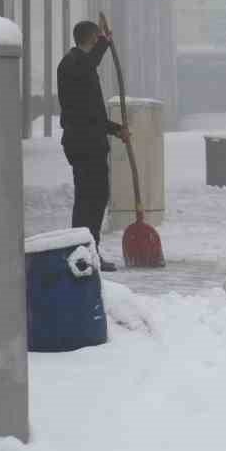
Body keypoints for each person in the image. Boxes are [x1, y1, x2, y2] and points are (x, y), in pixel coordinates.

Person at [57, 15, 129, 270]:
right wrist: (105, 44)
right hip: (83, 144)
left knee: (94, 197)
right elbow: (88, 66)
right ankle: (84, 254)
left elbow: (92, 112)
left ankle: (88, 252)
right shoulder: (73, 64)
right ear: (91, 39)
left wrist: (115, 129)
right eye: (96, 38)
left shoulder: (82, 66)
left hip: (90, 142)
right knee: (90, 198)